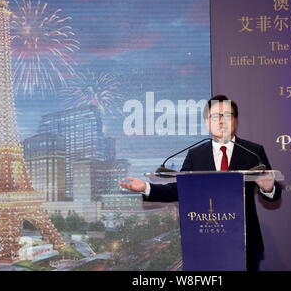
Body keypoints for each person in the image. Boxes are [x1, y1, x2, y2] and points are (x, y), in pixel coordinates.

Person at [119, 95, 281, 270]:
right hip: (206, 242)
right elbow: (178, 190)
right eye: (215, 116)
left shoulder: (253, 152)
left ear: (235, 120)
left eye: (227, 115)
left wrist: (269, 188)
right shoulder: (196, 155)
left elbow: (274, 194)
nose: (221, 121)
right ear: (207, 122)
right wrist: (146, 187)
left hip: (244, 242)